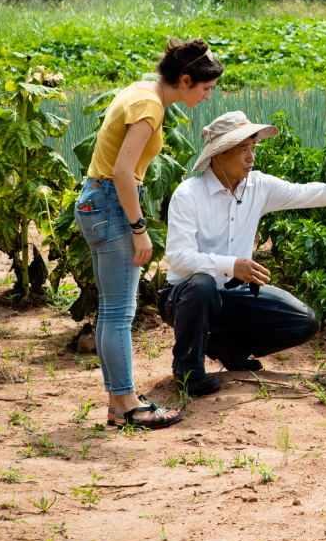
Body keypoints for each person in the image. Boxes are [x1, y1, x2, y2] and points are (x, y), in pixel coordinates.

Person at [158, 111, 326, 396]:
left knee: (304, 321)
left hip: (231, 295)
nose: (251, 157)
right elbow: (179, 258)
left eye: (252, 149)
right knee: (202, 285)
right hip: (184, 299)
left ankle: (228, 347)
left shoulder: (258, 186)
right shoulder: (189, 194)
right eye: (243, 150)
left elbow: (301, 192)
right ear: (218, 154)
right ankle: (188, 371)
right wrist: (232, 265)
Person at [76, 38, 223, 430]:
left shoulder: (143, 91)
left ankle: (118, 401)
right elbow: (123, 172)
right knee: (120, 313)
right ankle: (128, 405)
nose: (208, 97)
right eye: (206, 89)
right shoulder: (149, 106)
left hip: (100, 201)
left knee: (112, 311)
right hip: (112, 204)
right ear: (186, 80)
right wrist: (139, 229)